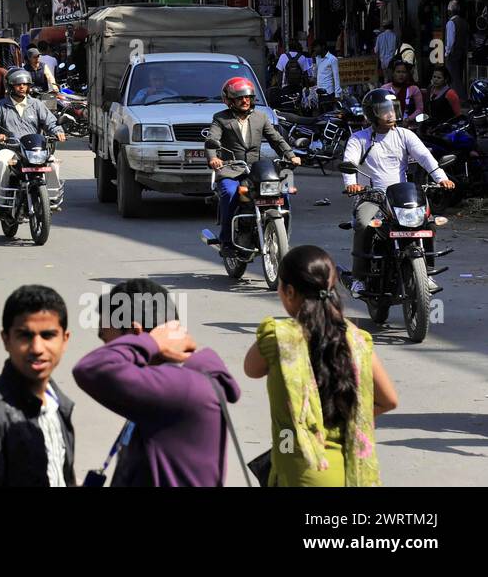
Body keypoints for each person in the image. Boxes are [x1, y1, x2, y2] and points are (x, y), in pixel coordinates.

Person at [243, 245, 397, 486]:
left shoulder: (278, 337)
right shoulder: (356, 340)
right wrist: (352, 415)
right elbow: (389, 400)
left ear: (289, 291)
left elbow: (251, 369)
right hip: (350, 472)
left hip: (300, 474)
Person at [72, 279, 239, 486]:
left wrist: (152, 342)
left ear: (135, 334)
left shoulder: (180, 386)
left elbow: (90, 369)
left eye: (109, 342)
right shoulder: (168, 380)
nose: (107, 348)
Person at [0, 285, 75, 487]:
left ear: (65, 340)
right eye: (25, 336)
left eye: (48, 335)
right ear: (6, 340)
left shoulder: (58, 405)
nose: (37, 348)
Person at [341, 88, 454, 293]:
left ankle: (426, 273)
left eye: (393, 109)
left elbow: (425, 158)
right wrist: (351, 183)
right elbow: (349, 162)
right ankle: (359, 278)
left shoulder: (405, 135)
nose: (391, 114)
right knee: (363, 223)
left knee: (427, 222)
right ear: (371, 114)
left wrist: (442, 179)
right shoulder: (359, 139)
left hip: (401, 197)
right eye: (385, 110)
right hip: (371, 196)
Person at [206, 77, 300, 260]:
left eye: (248, 97)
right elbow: (212, 142)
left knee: (283, 193)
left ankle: (282, 238)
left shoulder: (261, 117)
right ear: (229, 100)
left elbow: (276, 140)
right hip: (231, 169)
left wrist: (291, 155)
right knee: (230, 193)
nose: (245, 101)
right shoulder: (220, 118)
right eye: (240, 97)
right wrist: (214, 158)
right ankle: (226, 240)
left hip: (256, 169)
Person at [0, 69, 66, 204]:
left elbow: (50, 122)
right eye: (18, 84)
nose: (22, 87)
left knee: (53, 163)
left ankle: (51, 199)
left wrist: (57, 131)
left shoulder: (37, 105)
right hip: (11, 148)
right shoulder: (0, 106)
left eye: (25, 84)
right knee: (2, 162)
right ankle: (1, 200)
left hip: (34, 149)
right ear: (10, 86)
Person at [382, 60, 424, 124]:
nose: (401, 75)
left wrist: (408, 119)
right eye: (398, 72)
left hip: (409, 126)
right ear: (393, 73)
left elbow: (419, 109)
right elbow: (380, 109)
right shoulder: (384, 89)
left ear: (407, 74)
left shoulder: (414, 89)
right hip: (389, 125)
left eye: (404, 72)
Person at [445, 0, 469, 96]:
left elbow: (450, 41)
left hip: (453, 54)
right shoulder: (464, 22)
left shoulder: (451, 23)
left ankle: (460, 97)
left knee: (453, 77)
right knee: (459, 75)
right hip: (462, 53)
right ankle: (460, 96)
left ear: (450, 11)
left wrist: (447, 53)